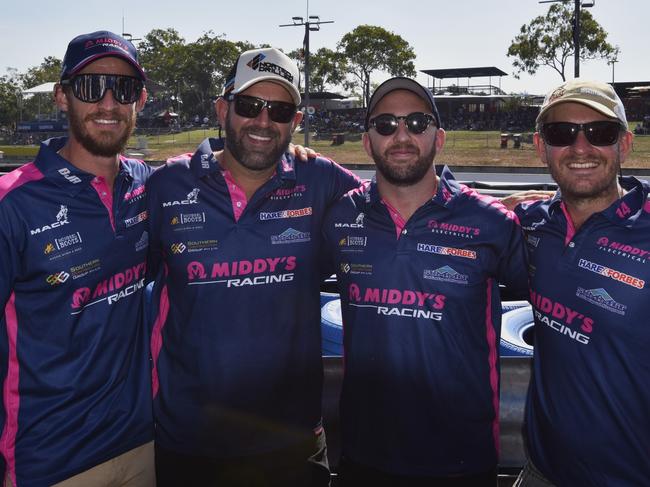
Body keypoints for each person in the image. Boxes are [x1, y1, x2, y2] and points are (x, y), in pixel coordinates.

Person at [146, 47, 360, 486]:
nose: (264, 122)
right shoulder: (167, 184)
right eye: (249, 106)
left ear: (295, 122)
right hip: (190, 445)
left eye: (279, 110)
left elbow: (401, 207)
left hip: (292, 444)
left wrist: (506, 208)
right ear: (223, 109)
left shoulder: (321, 179)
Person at [321, 77, 529, 487]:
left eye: (417, 123)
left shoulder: (491, 221)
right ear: (367, 142)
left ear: (439, 137)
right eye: (385, 125)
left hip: (461, 461)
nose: (401, 135)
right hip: (364, 457)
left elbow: (560, 305)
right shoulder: (339, 216)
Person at [0, 32, 154, 486]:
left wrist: (293, 155)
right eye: (90, 87)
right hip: (49, 460)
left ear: (139, 100)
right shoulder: (12, 205)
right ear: (62, 97)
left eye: (123, 89)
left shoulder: (151, 185)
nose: (108, 103)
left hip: (141, 443)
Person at [509, 79, 650, 486]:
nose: (581, 147)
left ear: (623, 145)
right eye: (562, 133)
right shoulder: (533, 224)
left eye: (600, 133)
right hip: (541, 470)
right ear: (541, 147)